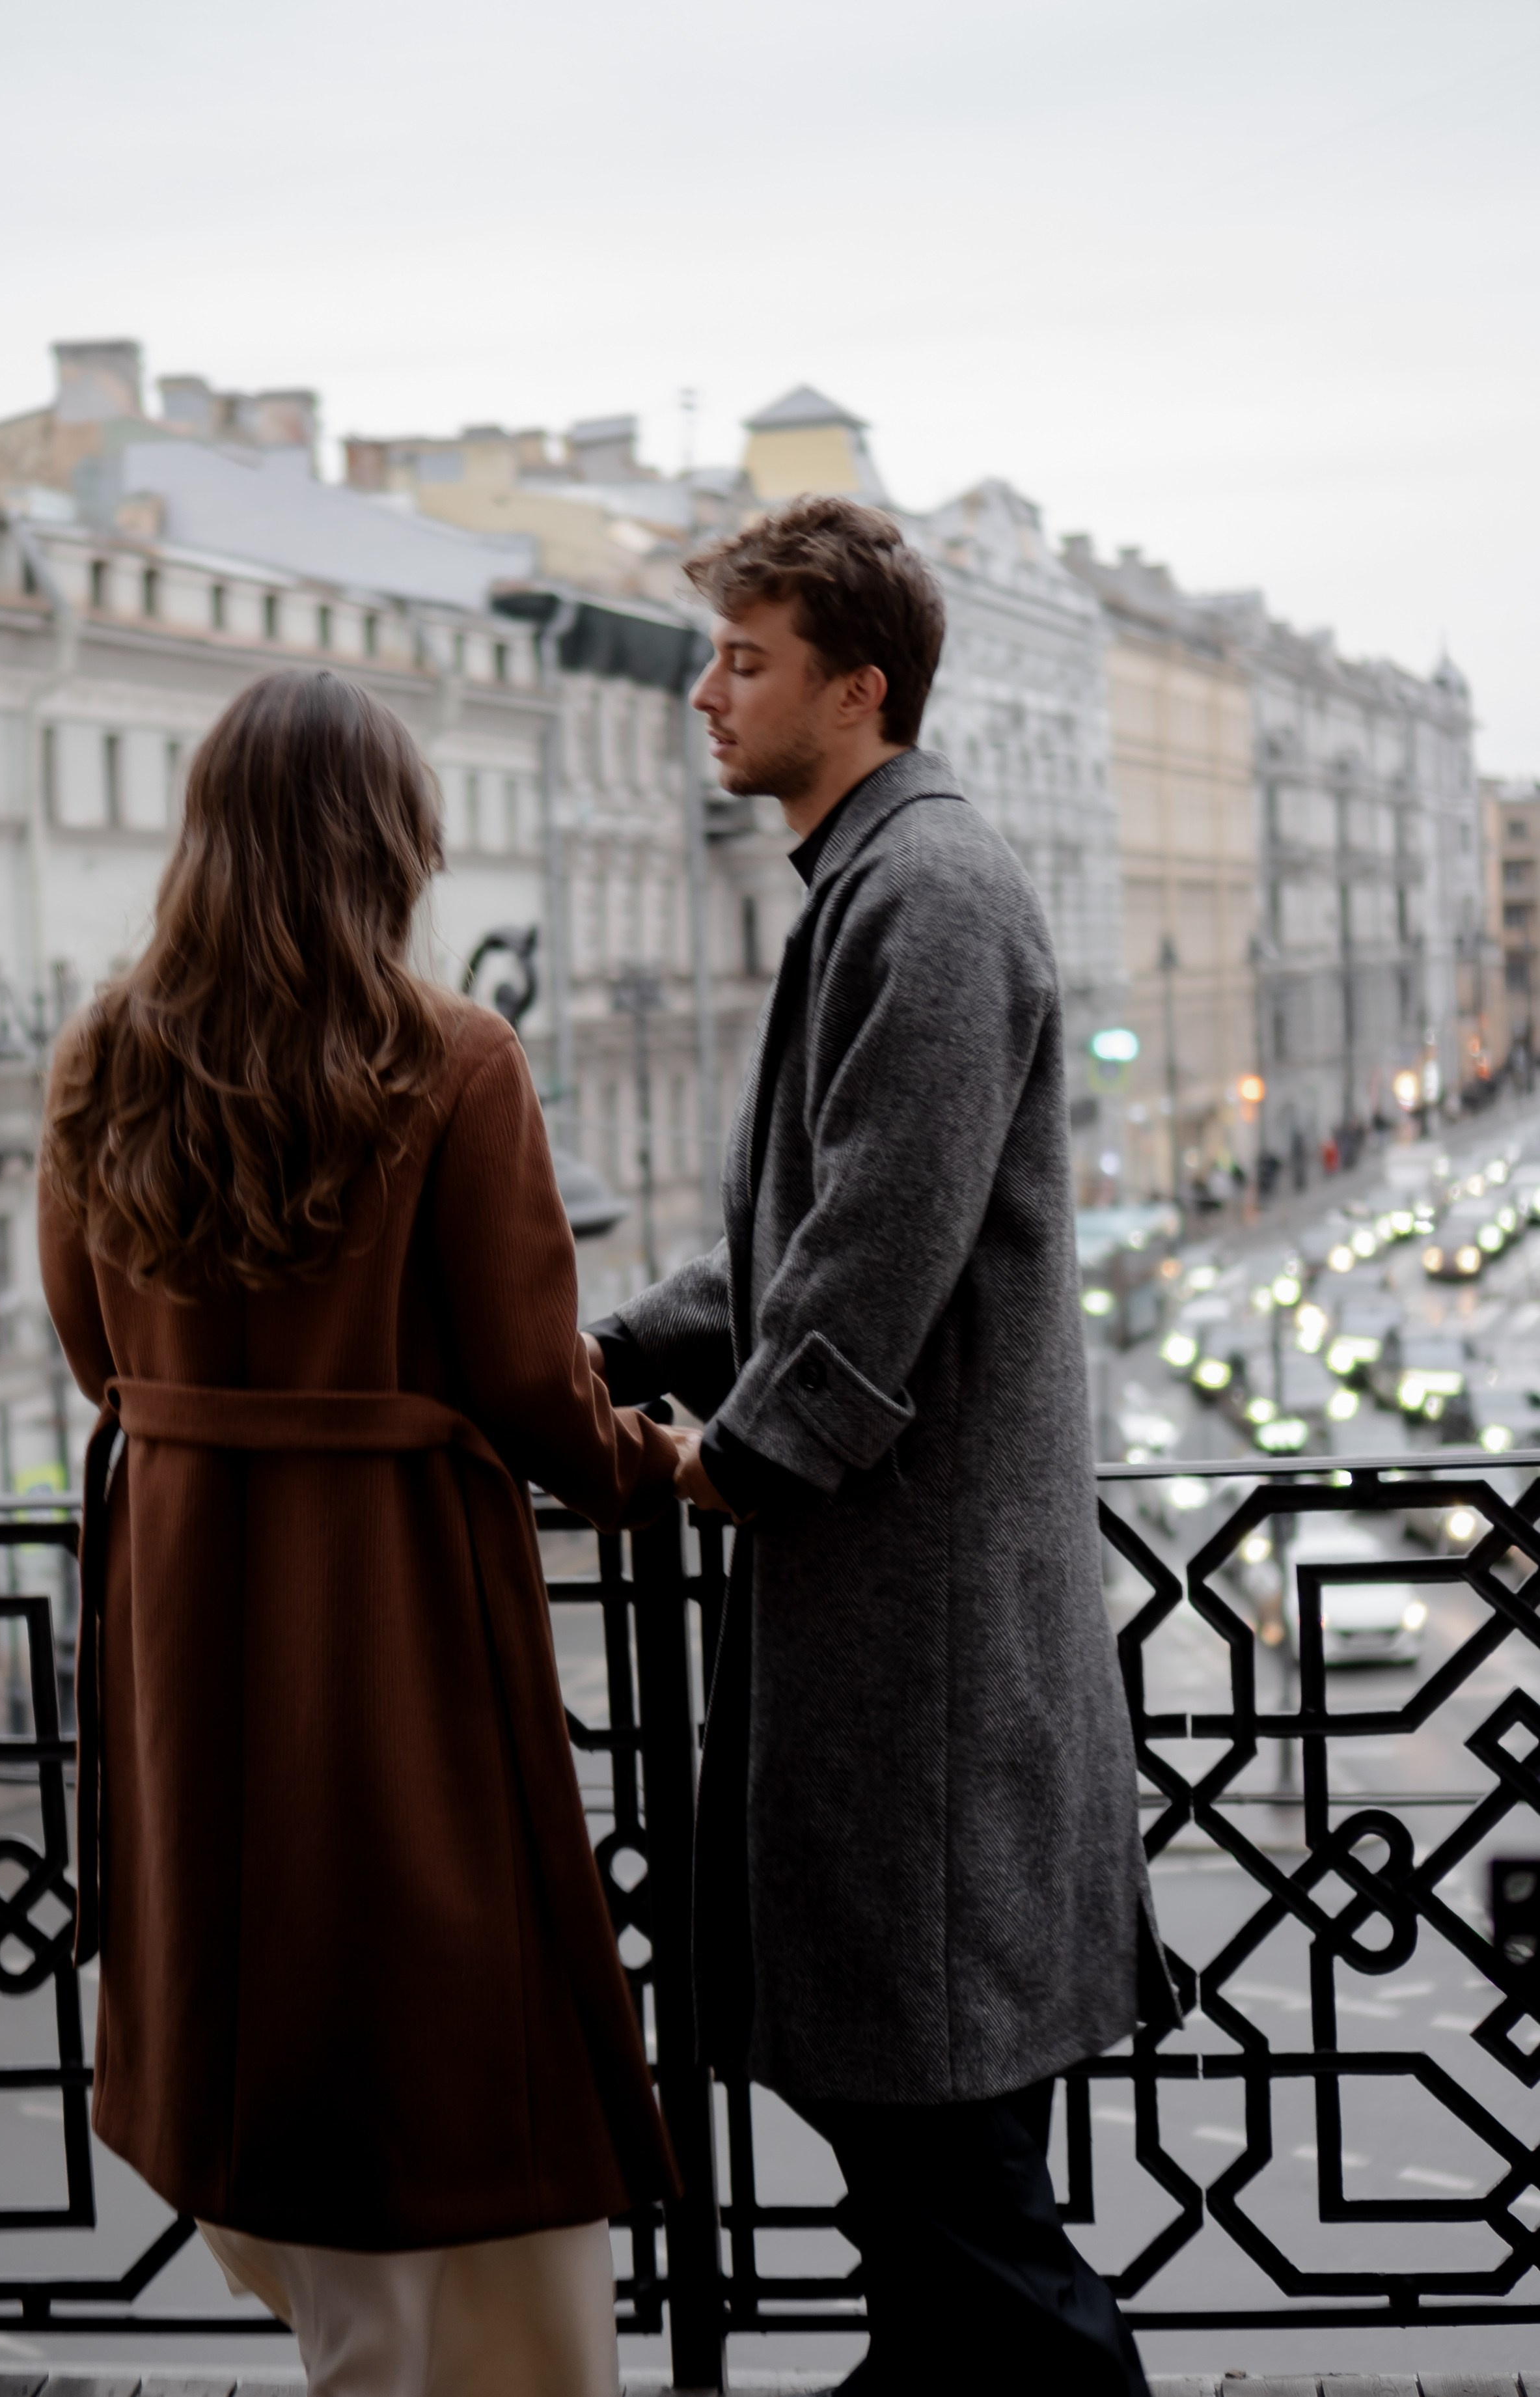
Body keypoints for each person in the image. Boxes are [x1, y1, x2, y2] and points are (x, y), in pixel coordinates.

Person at [38, 669, 688, 2397]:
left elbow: (93, 1349)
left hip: (184, 1593)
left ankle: (355, 2344)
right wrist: (659, 1462)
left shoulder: (101, 1054)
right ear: (391, 840)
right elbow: (533, 1384)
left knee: (249, 1981)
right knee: (435, 1981)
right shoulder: (452, 1056)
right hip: (394, 1597)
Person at [588, 497, 1174, 2394]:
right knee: (907, 2132)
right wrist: (600, 1343)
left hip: (920, 1647)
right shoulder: (874, 880)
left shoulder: (928, 891)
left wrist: (738, 1454)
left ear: (859, 687)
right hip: (892, 1630)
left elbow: (870, 1248)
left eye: (745, 659)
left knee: (951, 2160)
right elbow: (792, 1239)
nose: (706, 692)